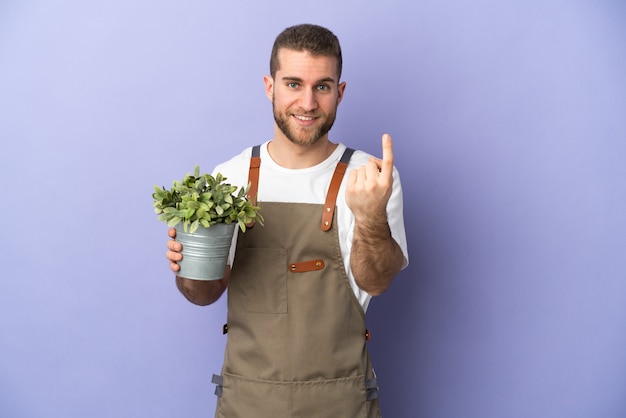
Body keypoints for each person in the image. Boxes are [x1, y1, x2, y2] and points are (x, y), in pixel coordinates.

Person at [165, 23, 409, 418]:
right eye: (293, 84)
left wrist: (370, 218)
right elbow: (204, 293)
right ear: (269, 86)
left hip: (341, 404)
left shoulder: (372, 178)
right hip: (248, 402)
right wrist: (187, 264)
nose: (308, 103)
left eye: (323, 87)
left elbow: (376, 282)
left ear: (340, 92)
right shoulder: (230, 178)